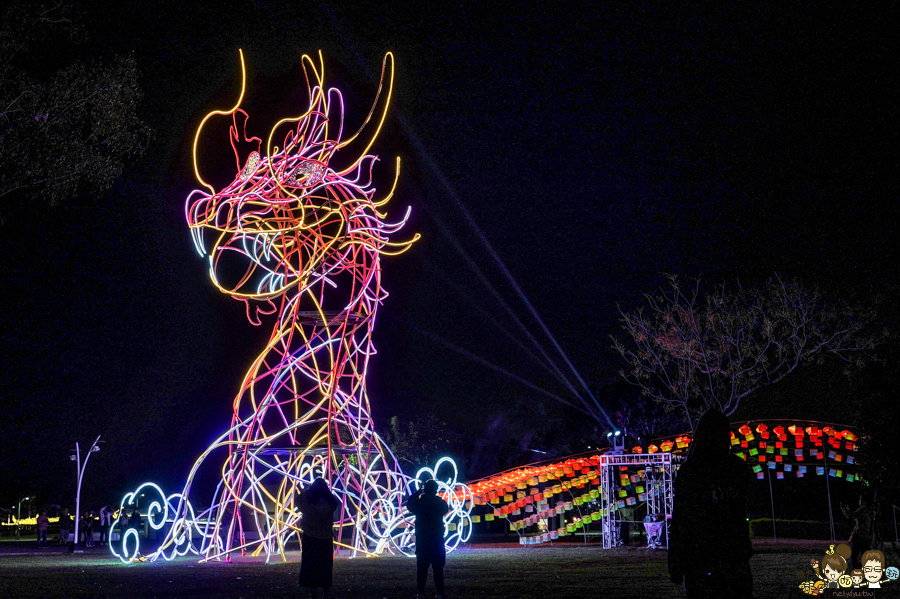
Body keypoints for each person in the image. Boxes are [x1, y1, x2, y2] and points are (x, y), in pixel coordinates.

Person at [668, 408, 753, 598]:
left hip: (700, 555)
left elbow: (681, 518)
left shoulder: (690, 471)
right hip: (732, 554)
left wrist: (676, 562)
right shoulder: (737, 468)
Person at [297, 478, 340, 599]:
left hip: (310, 537)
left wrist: (307, 492)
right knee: (325, 565)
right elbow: (335, 503)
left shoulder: (308, 503)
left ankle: (314, 592)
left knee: (311, 565)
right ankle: (326, 591)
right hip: (325, 537)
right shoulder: (330, 503)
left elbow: (298, 500)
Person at [407, 478, 450, 599]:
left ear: (425, 489)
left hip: (423, 539)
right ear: (436, 490)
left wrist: (418, 492)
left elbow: (409, 504)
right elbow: (445, 509)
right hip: (436, 539)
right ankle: (440, 592)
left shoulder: (420, 503)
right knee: (438, 568)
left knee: (422, 568)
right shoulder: (439, 503)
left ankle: (421, 592)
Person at [840, 493, 873, 569]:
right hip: (866, 536)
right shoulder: (870, 511)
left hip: (859, 536)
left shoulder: (862, 510)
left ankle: (857, 568)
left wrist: (844, 508)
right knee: (864, 554)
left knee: (854, 555)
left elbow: (851, 516)